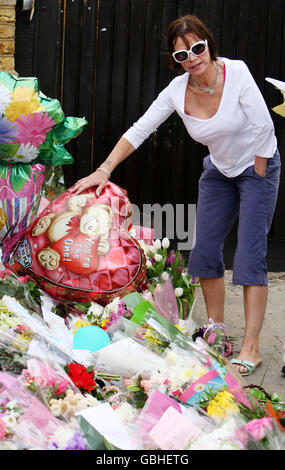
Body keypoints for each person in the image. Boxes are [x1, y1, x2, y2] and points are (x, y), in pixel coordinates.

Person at [70, 15, 281, 376]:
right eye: (183, 54)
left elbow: (263, 127)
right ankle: (218, 333)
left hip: (258, 166)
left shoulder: (237, 73)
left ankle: (251, 345)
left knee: (249, 254)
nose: (193, 58)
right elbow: (140, 130)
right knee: (204, 251)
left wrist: (258, 175)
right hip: (218, 171)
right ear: (175, 59)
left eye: (198, 48)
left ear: (209, 45)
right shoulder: (176, 91)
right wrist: (103, 170)